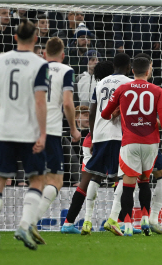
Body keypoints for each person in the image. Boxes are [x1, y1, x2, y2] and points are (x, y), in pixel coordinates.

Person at [0, 20, 49, 250]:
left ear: (15, 37)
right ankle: (23, 224)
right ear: (35, 39)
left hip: (5, 130)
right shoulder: (39, 64)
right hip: (29, 131)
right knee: (37, 179)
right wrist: (43, 133)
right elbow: (40, 101)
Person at [100, 56, 162, 236]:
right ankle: (146, 218)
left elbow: (105, 114)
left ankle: (128, 225)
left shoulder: (123, 88)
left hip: (130, 141)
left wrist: (116, 112)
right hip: (151, 143)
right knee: (145, 181)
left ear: (132, 70)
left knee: (128, 184)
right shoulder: (157, 90)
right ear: (149, 70)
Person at [61, 54, 132, 235]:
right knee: (123, 178)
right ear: (128, 66)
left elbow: (92, 111)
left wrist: (92, 135)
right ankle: (121, 222)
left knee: (91, 176)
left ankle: (71, 222)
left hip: (98, 135)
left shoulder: (100, 84)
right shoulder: (128, 83)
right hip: (117, 135)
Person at [29, 37, 81, 241]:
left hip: (30, 129)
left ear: (43, 53)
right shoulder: (66, 70)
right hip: (50, 130)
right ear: (63, 54)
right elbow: (68, 103)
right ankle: (30, 222)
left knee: (38, 180)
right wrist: (74, 129)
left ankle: (27, 221)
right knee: (56, 180)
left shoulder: (35, 69)